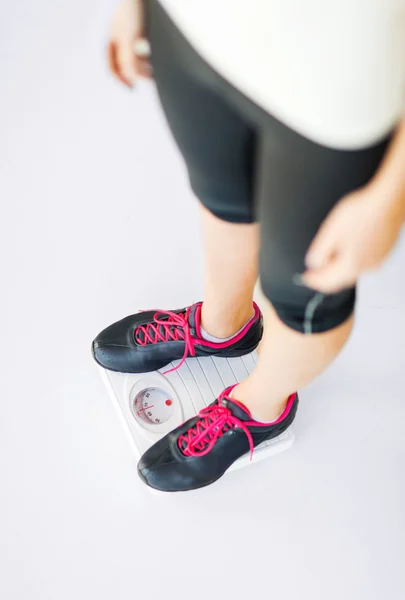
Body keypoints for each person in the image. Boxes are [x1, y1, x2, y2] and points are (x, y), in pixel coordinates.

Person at [93, 0, 405, 492]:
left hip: (334, 93)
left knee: (303, 288)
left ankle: (262, 408)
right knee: (223, 201)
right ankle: (222, 328)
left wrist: (394, 190)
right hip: (192, 29)